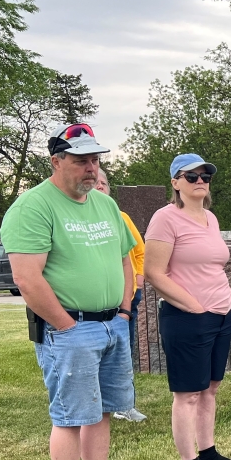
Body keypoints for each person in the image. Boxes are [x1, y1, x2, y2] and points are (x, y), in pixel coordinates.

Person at [1, 123, 147, 460]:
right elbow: (28, 279)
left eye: (95, 160)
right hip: (69, 328)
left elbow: (124, 258)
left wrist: (122, 311)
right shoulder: (33, 207)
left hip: (111, 325)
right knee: (69, 414)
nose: (90, 168)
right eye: (81, 160)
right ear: (57, 161)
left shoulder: (103, 205)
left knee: (101, 411)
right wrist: (66, 326)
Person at [144, 154, 231, 460]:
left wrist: (228, 298)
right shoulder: (165, 218)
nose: (200, 181)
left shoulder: (211, 219)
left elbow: (212, 265)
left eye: (205, 176)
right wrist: (193, 305)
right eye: (191, 177)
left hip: (221, 312)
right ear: (175, 183)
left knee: (211, 388)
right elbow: (153, 273)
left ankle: (209, 451)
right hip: (187, 316)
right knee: (187, 393)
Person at [95, 169, 147, 423]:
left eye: (104, 183)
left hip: (126, 301)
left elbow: (139, 252)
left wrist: (137, 281)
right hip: (93, 303)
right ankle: (96, 405)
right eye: (95, 183)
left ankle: (124, 406)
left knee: (123, 352)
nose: (100, 187)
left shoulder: (121, 217)